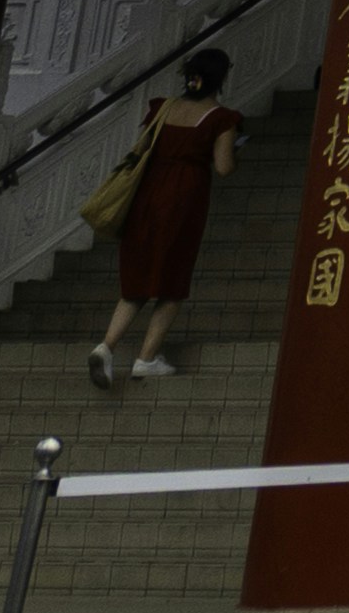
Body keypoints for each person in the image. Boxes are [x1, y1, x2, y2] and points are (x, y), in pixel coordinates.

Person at [91, 48, 244, 388]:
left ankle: (106, 347)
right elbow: (223, 167)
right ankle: (146, 359)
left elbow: (141, 148)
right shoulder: (222, 119)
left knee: (136, 281)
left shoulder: (162, 108)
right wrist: (236, 150)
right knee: (172, 283)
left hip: (147, 195)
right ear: (221, 78)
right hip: (183, 201)